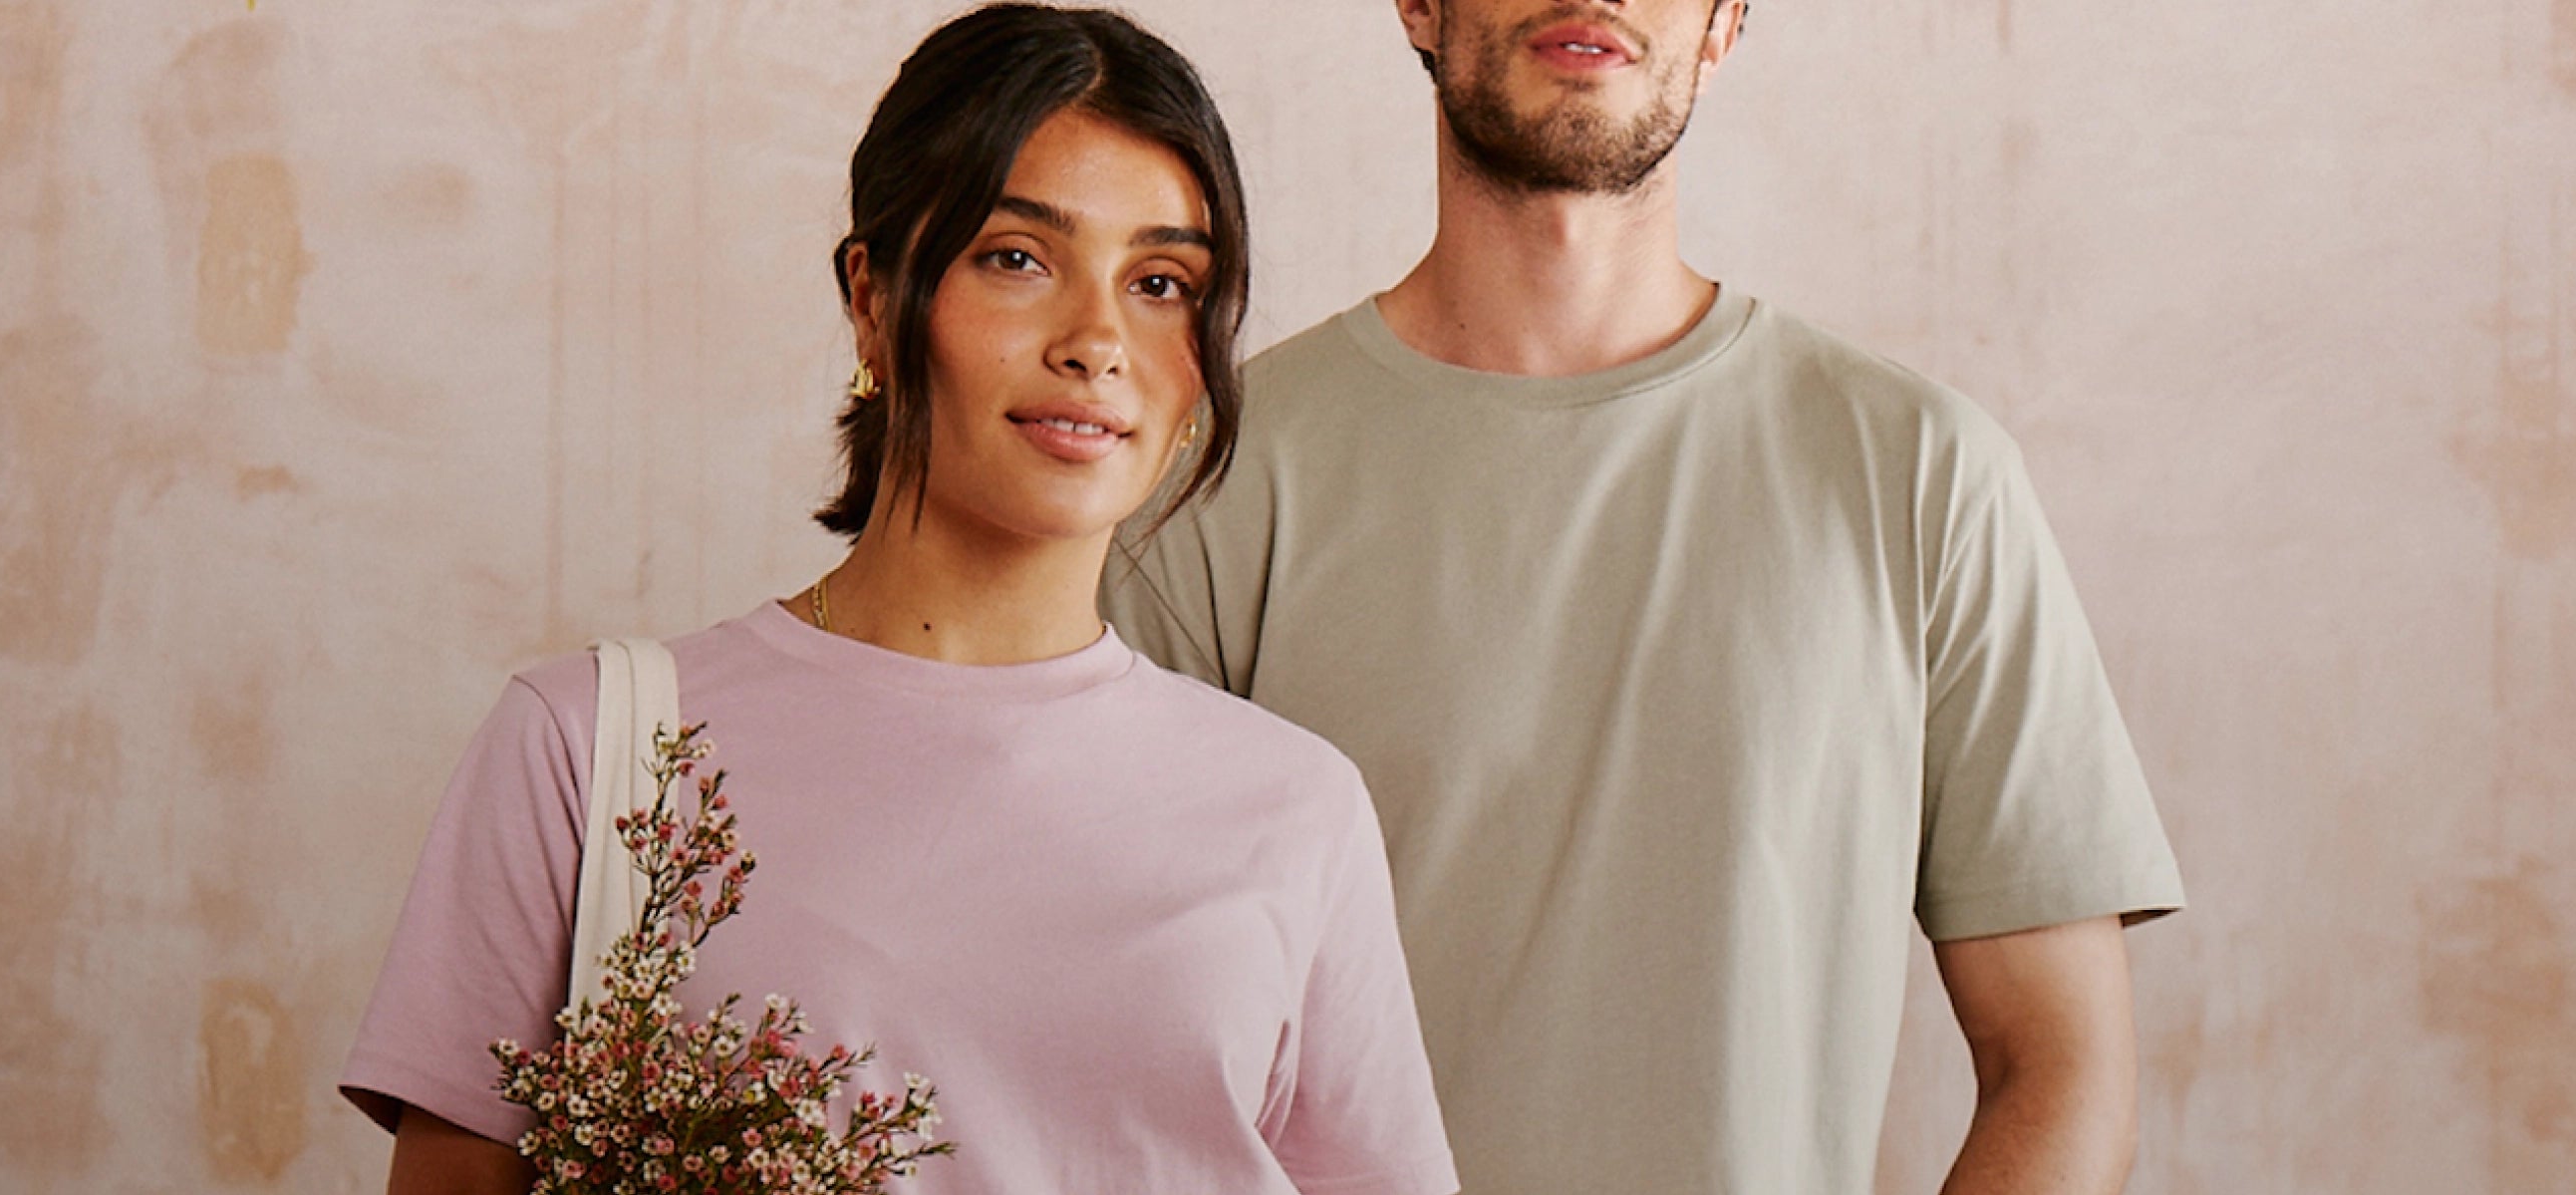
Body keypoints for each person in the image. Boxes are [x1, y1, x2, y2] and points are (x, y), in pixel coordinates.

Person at [341, 8, 1458, 1194]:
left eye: (1163, 281)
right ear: (872, 298)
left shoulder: (1297, 808)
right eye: (1017, 257)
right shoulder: (595, 748)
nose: (1098, 339)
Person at [1103, 1, 2185, 1191]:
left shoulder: (1925, 474)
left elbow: (2064, 1068)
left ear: (1725, 24)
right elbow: (1113, 1064)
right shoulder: (1203, 484)